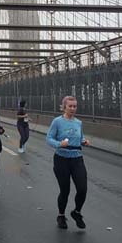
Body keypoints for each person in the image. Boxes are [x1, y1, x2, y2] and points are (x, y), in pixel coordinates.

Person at [46, 95, 90, 230]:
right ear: (64, 107)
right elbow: (48, 138)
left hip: (77, 158)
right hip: (61, 159)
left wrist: (84, 141)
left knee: (82, 189)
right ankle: (61, 216)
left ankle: (76, 212)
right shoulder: (57, 122)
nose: (72, 108)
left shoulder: (78, 122)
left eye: (74, 106)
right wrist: (60, 144)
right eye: (70, 106)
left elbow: (80, 137)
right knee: (65, 190)